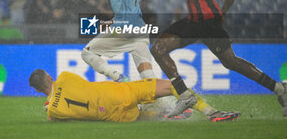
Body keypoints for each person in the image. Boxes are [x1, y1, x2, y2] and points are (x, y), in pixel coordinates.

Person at [79, 0, 238, 121]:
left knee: (87, 53)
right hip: (137, 27)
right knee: (148, 76)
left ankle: (119, 79)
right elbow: (129, 3)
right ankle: (194, 109)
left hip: (127, 28)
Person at [151, 0, 287, 117]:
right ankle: (280, 90)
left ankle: (184, 95)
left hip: (203, 20)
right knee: (228, 61)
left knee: (161, 50)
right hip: (200, 20)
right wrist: (222, 11)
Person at [29, 69, 240, 122]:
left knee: (139, 115)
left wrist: (48, 104)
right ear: (49, 75)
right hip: (120, 92)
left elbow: (52, 115)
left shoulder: (54, 110)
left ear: (39, 90)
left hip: (114, 117)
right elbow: (61, 87)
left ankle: (167, 115)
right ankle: (211, 112)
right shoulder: (65, 77)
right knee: (174, 85)